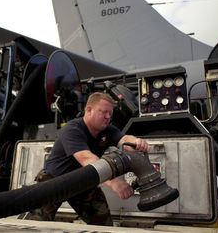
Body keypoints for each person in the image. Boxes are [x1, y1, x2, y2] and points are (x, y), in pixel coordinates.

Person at [31, 92, 150, 226]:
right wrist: (115, 182)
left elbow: (124, 140)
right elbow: (87, 159)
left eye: (110, 114)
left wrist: (137, 141)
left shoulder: (107, 130)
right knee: (35, 225)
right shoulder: (72, 129)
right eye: (104, 112)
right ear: (89, 110)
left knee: (103, 224)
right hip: (54, 179)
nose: (108, 117)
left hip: (82, 181)